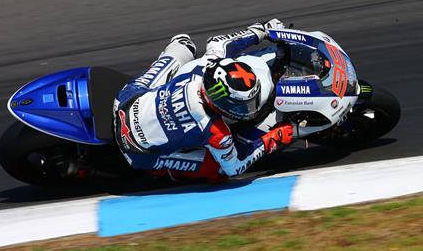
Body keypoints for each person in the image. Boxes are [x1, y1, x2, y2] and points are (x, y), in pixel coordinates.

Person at [113, 19, 294, 182]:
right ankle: (165, 171)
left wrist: (261, 31)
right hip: (137, 150)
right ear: (220, 101)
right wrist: (272, 139)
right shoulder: (215, 131)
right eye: (241, 104)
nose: (246, 109)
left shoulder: (205, 66)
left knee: (183, 43)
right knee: (217, 170)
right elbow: (235, 168)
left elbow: (218, 42)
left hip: (126, 101)